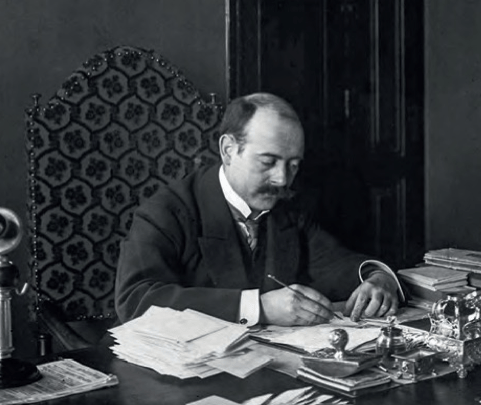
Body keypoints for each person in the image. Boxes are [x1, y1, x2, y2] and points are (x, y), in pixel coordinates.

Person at [114, 92, 402, 327]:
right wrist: (258, 308)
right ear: (228, 150)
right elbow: (135, 300)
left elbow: (337, 264)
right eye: (268, 162)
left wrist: (379, 279)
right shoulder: (167, 211)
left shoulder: (288, 209)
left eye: (293, 165)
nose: (282, 179)